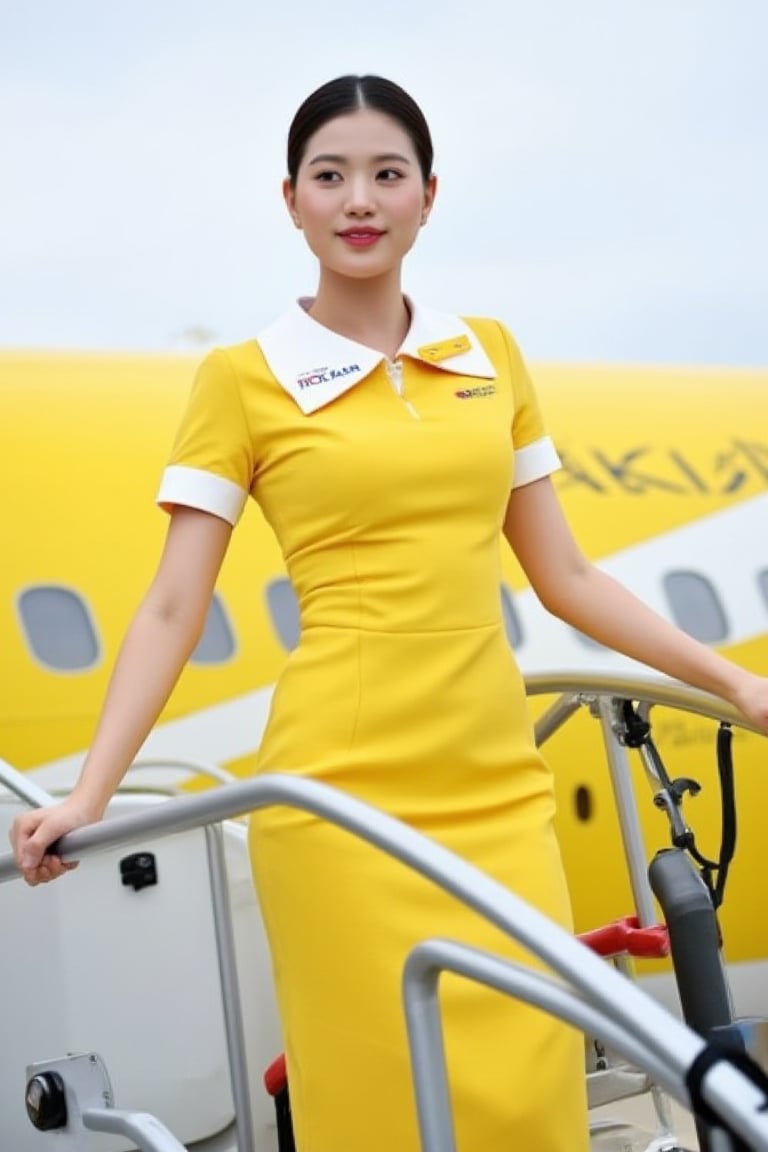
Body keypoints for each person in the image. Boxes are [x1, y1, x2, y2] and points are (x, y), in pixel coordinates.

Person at [10, 74, 768, 1151]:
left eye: (386, 174)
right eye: (331, 176)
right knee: (378, 1103)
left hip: (498, 787)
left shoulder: (489, 356)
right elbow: (176, 603)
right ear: (291, 201)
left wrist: (737, 685)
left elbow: (569, 580)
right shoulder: (243, 379)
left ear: (427, 196)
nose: (359, 198)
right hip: (341, 796)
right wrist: (88, 789)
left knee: (530, 1093)